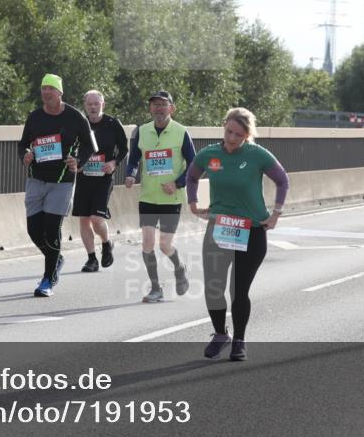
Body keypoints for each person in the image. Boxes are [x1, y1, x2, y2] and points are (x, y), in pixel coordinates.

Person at [187, 107, 289, 361]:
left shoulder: (257, 155)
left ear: (247, 135)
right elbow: (191, 176)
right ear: (224, 127)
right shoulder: (209, 154)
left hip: (252, 230)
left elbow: (282, 180)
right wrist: (192, 202)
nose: (232, 138)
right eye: (229, 131)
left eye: (239, 135)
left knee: (238, 290)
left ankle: (239, 340)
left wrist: (275, 213)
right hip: (219, 227)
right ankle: (221, 335)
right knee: (213, 287)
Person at [18, 74, 96, 297]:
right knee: (34, 231)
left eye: (50, 89)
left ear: (60, 93)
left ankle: (48, 278)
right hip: (36, 179)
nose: (46, 93)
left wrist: (78, 162)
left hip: (61, 182)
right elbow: (23, 144)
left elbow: (90, 146)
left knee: (52, 229)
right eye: (43, 89)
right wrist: (25, 154)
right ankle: (56, 258)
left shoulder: (75, 117)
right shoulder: (35, 117)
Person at [124, 91, 195, 303]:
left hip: (170, 199)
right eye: (155, 104)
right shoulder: (142, 131)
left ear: (171, 108)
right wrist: (130, 174)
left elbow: (194, 164)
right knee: (147, 243)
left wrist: (178, 183)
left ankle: (179, 267)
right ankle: (156, 288)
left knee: (164, 245)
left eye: (163, 104)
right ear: (150, 108)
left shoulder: (181, 132)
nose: (159, 108)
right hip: (147, 196)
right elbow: (134, 159)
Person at [73, 90, 128, 272]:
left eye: (96, 104)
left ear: (103, 105)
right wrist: (77, 163)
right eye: (89, 104)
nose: (93, 107)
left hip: (104, 178)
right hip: (84, 177)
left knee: (97, 219)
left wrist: (114, 162)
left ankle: (106, 243)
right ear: (85, 106)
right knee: (84, 220)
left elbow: (124, 149)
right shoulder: (80, 124)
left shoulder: (112, 124)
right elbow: (71, 147)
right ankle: (91, 259)